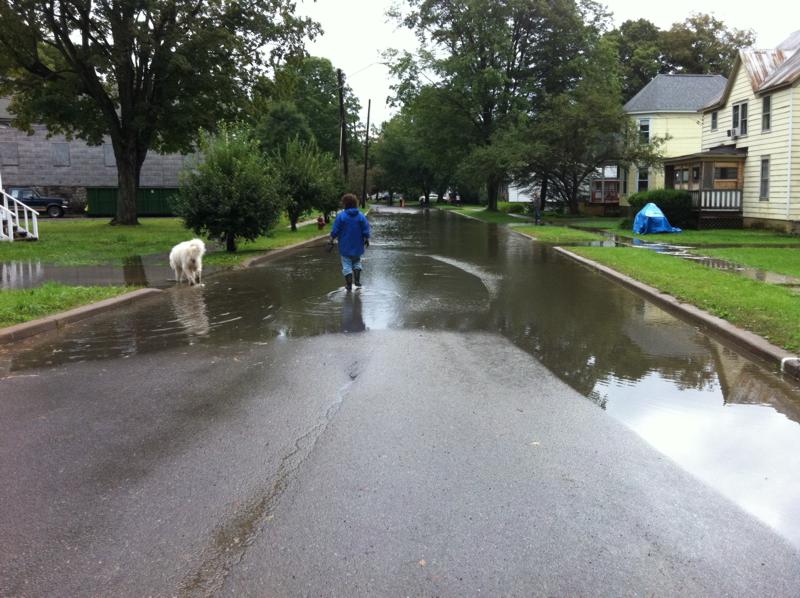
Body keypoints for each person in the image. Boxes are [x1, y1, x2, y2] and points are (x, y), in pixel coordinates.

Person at [330, 193, 371, 291]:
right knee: (357, 261)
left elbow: (335, 230)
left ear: (345, 204)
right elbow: (366, 229)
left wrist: (331, 239)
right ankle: (357, 281)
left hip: (345, 246)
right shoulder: (361, 216)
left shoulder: (341, 216)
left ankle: (349, 285)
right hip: (358, 245)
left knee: (346, 264)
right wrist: (366, 238)